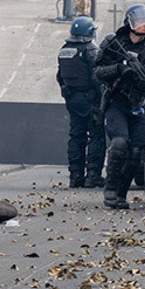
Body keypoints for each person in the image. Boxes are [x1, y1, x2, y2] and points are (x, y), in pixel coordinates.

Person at [94, 5, 145, 210]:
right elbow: (97, 72)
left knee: (137, 150)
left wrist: (144, 78)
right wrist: (119, 69)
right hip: (116, 103)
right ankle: (110, 189)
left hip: (138, 104)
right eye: (142, 23)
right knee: (119, 143)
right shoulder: (113, 43)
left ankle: (121, 193)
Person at [56, 16, 106, 189]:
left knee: (76, 136)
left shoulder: (64, 49)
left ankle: (75, 176)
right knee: (96, 136)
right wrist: (102, 98)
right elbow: (97, 76)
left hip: (72, 99)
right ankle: (93, 175)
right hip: (90, 99)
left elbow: (59, 77)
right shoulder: (90, 49)